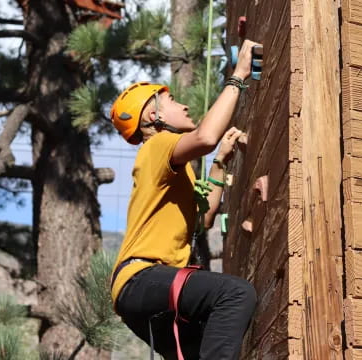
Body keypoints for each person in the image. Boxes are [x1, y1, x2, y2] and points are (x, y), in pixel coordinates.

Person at [109, 40, 261, 360]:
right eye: (173, 101)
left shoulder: (175, 170)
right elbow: (205, 137)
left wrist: (220, 162)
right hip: (142, 278)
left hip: (141, 289)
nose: (184, 106)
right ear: (154, 114)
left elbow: (202, 221)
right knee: (235, 295)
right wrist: (238, 76)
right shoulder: (158, 145)